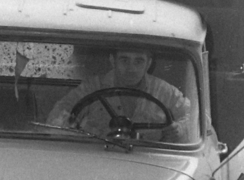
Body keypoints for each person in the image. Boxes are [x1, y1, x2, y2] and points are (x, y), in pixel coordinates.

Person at [47, 49, 192, 141]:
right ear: (112, 61)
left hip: (151, 162)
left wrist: (180, 129)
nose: (131, 68)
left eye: (139, 61)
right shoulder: (91, 88)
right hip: (97, 159)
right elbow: (58, 115)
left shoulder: (165, 92)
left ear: (148, 64)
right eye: (124, 60)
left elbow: (198, 118)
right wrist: (70, 127)